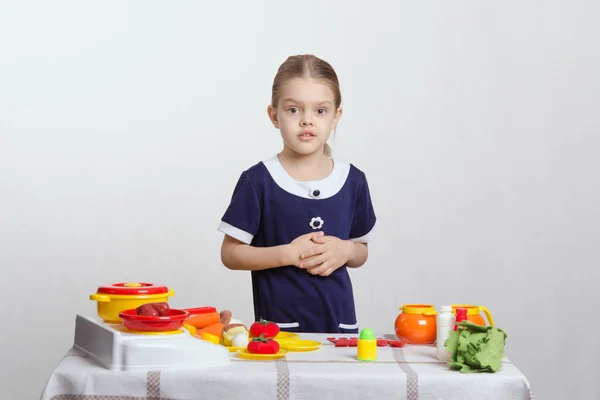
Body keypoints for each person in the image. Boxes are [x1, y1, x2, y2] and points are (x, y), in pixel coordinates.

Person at [218, 54, 376, 334]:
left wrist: (346, 249)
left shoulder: (353, 181)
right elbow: (231, 254)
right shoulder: (258, 181)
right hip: (279, 331)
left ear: (336, 116)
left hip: (340, 332)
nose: (307, 121)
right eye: (293, 110)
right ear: (274, 115)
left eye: (320, 111)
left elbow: (361, 251)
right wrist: (288, 254)